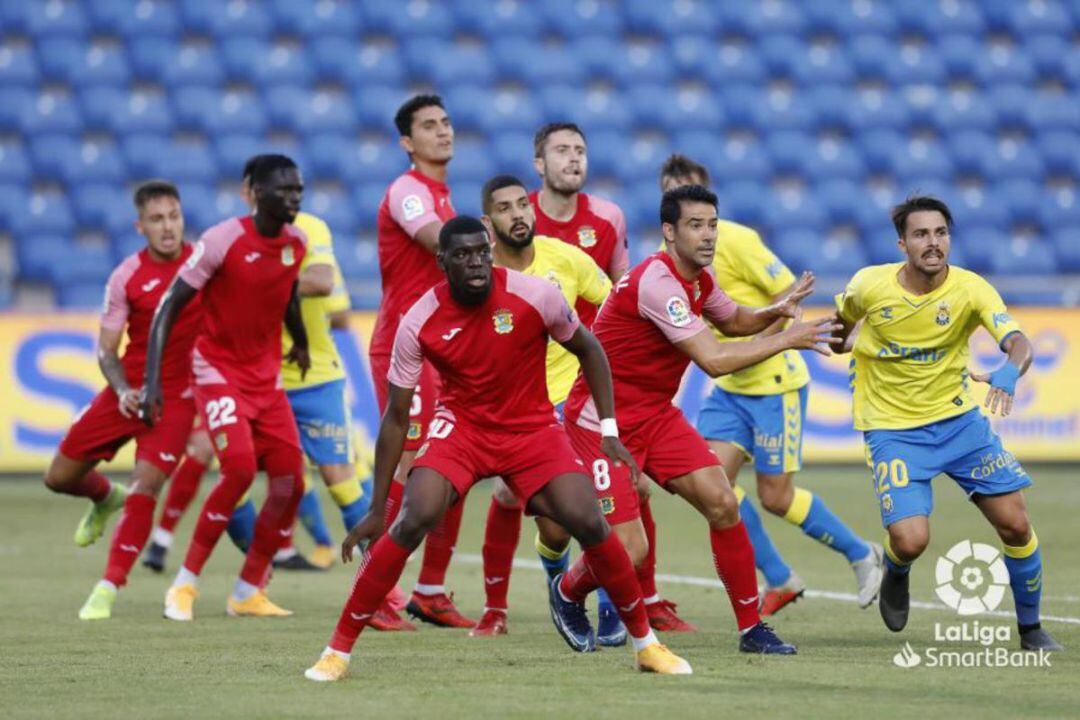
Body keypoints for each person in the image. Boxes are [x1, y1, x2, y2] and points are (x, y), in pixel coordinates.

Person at [304, 216, 691, 682]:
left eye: (481, 252)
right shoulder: (419, 320)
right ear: (441, 261)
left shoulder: (536, 295)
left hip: (531, 429)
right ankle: (337, 651)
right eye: (462, 255)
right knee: (413, 516)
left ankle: (646, 646)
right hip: (462, 429)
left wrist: (609, 428)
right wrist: (375, 508)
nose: (475, 262)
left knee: (589, 519)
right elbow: (396, 417)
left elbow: (591, 350)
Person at [562, 184, 840, 655]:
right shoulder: (659, 284)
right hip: (602, 424)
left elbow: (733, 321)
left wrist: (774, 311)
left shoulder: (699, 278)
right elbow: (713, 359)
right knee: (630, 551)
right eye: (695, 225)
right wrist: (788, 338)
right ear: (669, 232)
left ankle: (752, 629)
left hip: (654, 415)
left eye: (712, 224)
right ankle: (568, 591)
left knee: (722, 501)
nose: (708, 234)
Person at [830, 195, 1062, 652]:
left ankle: (1031, 629)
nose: (932, 243)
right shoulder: (869, 286)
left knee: (1016, 524)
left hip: (960, 425)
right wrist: (855, 342)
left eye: (940, 233)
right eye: (921, 234)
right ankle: (896, 568)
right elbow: (840, 332)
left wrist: (1010, 370)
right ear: (902, 244)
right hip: (893, 430)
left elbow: (1018, 342)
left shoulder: (971, 289)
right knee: (911, 540)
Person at [660, 155, 883, 616]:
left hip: (774, 384)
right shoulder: (668, 261)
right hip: (730, 386)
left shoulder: (737, 241)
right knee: (711, 487)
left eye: (690, 191)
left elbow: (787, 294)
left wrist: (760, 344)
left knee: (776, 497)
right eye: (672, 192)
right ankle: (780, 578)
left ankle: (862, 554)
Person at [526, 123, 688, 634]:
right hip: (529, 386)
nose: (573, 158)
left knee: (624, 490)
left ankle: (617, 605)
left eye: (580, 149)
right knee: (546, 516)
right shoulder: (518, 215)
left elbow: (621, 290)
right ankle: (515, 600)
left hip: (587, 381)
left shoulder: (608, 218)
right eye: (561, 150)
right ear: (539, 163)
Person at [144, 154, 310, 621]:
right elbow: (169, 306)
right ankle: (184, 584)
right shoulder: (222, 240)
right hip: (218, 373)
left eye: (298, 190)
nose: (294, 198)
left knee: (291, 481)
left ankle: (247, 590)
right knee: (238, 469)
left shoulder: (296, 242)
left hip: (266, 378)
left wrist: (299, 340)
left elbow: (287, 293)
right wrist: (153, 380)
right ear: (255, 194)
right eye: (284, 190)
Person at [44, 181, 199, 620]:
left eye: (173, 216)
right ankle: (104, 496)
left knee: (145, 487)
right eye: (156, 219)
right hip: (128, 391)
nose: (167, 227)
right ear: (140, 226)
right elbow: (106, 350)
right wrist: (122, 391)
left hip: (177, 399)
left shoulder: (203, 265)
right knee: (58, 477)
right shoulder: (126, 275)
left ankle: (108, 586)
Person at [470, 175, 612, 639]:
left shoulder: (565, 258)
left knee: (604, 500)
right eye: (505, 209)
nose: (517, 215)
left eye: (522, 205)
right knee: (546, 524)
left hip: (575, 400)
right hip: (518, 410)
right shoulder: (478, 275)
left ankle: (612, 608)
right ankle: (505, 605)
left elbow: (614, 304)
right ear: (489, 223)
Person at [369, 94, 470, 630]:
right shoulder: (408, 192)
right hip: (404, 349)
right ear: (407, 142)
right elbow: (437, 242)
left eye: (446, 122)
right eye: (429, 125)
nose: (443, 131)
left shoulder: (444, 196)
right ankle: (373, 591)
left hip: (446, 350)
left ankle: (428, 590)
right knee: (409, 468)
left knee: (459, 461)